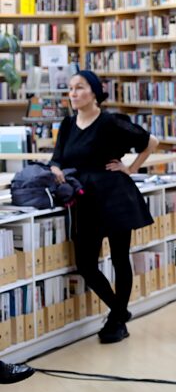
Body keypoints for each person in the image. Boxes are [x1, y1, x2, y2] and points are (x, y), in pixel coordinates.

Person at [50, 71, 159, 344]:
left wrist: (130, 168)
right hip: (84, 198)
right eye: (70, 89)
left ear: (94, 92)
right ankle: (120, 311)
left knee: (120, 258)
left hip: (114, 195)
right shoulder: (67, 124)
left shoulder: (111, 122)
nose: (73, 93)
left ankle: (116, 320)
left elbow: (151, 142)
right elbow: (56, 159)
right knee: (85, 264)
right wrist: (56, 170)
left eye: (80, 88)